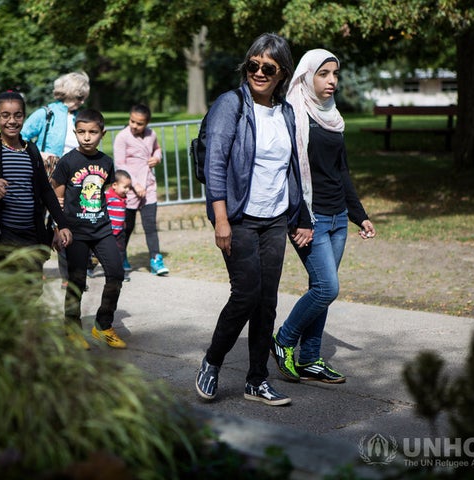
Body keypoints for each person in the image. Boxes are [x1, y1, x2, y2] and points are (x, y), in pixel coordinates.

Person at [194, 33, 306, 406]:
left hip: (273, 218)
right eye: (253, 65)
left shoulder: (286, 112)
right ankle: (212, 362)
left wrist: (297, 214)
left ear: (282, 73)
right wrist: (221, 220)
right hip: (239, 216)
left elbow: (291, 169)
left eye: (268, 68)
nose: (259, 72)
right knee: (246, 293)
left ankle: (256, 380)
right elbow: (215, 164)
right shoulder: (231, 104)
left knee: (267, 300)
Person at [270, 49, 376, 384]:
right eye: (324, 74)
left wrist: (360, 215)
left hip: (338, 217)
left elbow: (341, 171)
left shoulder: (332, 115)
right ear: (306, 76)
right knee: (327, 288)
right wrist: (299, 219)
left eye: (335, 74)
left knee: (321, 288)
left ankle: (311, 359)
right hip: (309, 218)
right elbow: (285, 172)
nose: (331, 81)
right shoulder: (291, 114)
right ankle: (283, 339)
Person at [0, 91, 72, 295]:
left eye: (18, 115)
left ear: (24, 117)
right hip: (0, 235)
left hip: (31, 234)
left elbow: (46, 191)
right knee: (2, 291)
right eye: (5, 115)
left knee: (32, 291)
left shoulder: (32, 151)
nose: (12, 121)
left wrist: (62, 224)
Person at [51, 109, 126, 350]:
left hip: (102, 228)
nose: (86, 137)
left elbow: (106, 191)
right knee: (76, 280)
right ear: (75, 133)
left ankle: (103, 325)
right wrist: (57, 227)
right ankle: (71, 327)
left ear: (102, 133)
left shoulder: (106, 162)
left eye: (92, 132)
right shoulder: (68, 162)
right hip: (75, 231)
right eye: (81, 132)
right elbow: (56, 197)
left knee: (115, 273)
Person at [21, 72, 90, 289]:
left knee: (65, 223)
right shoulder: (47, 113)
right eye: (80, 96)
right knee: (40, 224)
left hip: (74, 177)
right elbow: (21, 136)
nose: (82, 101)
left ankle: (68, 276)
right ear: (72, 94)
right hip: (47, 176)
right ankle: (35, 268)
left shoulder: (81, 115)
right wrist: (38, 154)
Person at [113, 104, 169, 275]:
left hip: (149, 188)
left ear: (147, 123)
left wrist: (157, 157)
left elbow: (157, 149)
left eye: (139, 123)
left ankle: (155, 259)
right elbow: (120, 164)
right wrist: (134, 184)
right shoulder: (122, 137)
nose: (135, 126)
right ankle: (120, 257)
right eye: (132, 121)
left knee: (150, 226)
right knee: (126, 228)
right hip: (129, 190)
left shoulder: (152, 135)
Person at [104, 170, 133, 282]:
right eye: (125, 187)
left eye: (129, 187)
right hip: (108, 231)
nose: (127, 190)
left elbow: (121, 211)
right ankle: (89, 267)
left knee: (120, 253)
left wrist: (123, 222)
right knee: (96, 255)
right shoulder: (107, 196)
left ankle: (120, 273)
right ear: (114, 185)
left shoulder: (123, 198)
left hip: (120, 231)